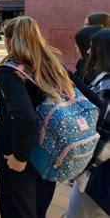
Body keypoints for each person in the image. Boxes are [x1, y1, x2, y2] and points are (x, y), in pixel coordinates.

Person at [0, 16, 75, 218]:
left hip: (17, 154)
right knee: (38, 209)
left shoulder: (9, 71)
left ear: (10, 41)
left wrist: (19, 157)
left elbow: (25, 117)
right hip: (48, 152)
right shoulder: (54, 65)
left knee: (16, 211)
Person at [67, 29, 110, 218]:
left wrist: (77, 170)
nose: (89, 52)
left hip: (98, 180)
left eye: (93, 48)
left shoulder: (106, 88)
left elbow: (102, 139)